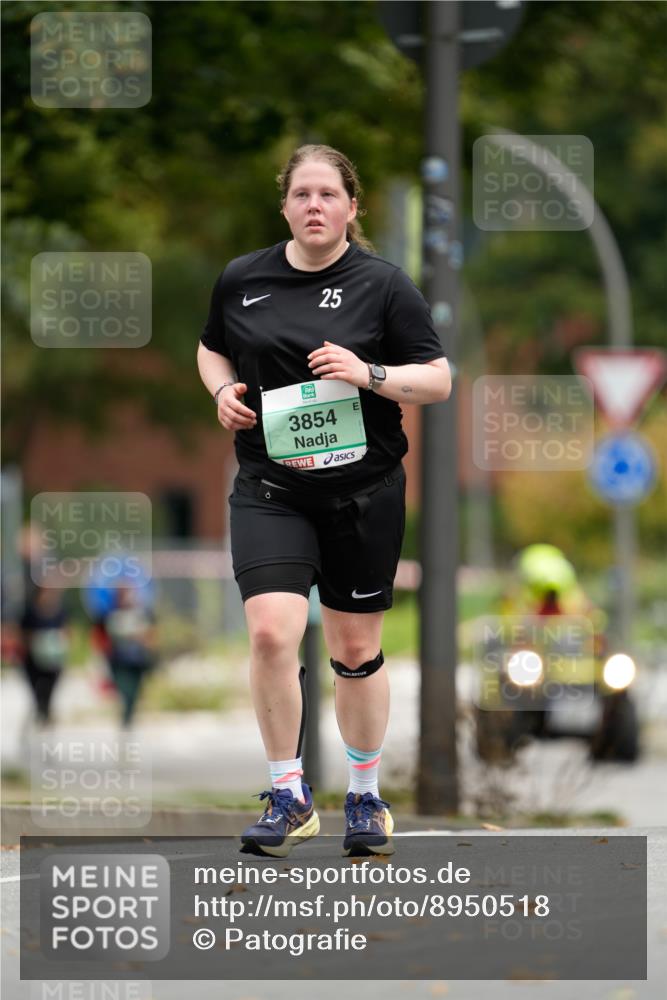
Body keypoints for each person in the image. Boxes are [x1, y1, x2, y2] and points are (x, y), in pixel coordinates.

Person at [197, 144, 451, 858]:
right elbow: (209, 347)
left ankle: (365, 799)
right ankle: (288, 793)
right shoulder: (243, 279)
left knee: (353, 647)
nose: (314, 206)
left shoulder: (384, 285)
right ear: (284, 205)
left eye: (328, 195)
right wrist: (221, 392)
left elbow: (436, 381)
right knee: (272, 633)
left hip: (361, 492)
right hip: (270, 490)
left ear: (351, 208)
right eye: (302, 194)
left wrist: (367, 371)